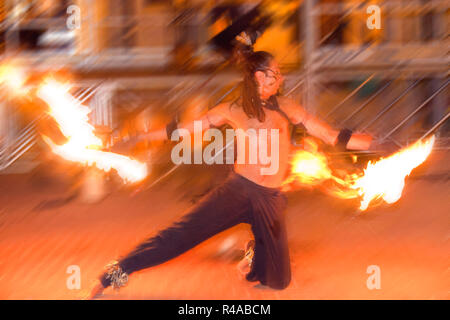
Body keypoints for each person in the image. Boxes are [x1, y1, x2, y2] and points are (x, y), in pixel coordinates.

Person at [87, 48, 372, 299]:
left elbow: (330, 134)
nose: (282, 78)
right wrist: (138, 137)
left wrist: (372, 142)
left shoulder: (287, 107)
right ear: (259, 76)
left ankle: (255, 249)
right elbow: (184, 129)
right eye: (277, 73)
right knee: (178, 237)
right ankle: (115, 273)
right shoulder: (232, 109)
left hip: (270, 199)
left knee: (278, 283)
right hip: (238, 191)